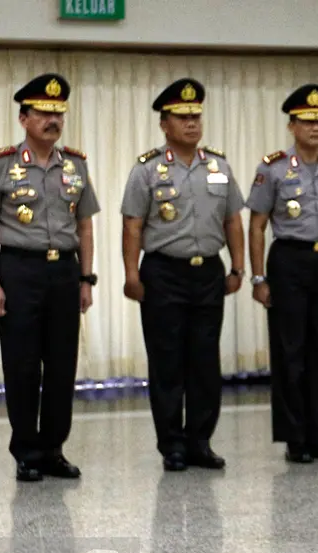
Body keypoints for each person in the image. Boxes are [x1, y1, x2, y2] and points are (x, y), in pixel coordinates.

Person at [121, 78, 246, 472]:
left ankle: (200, 441)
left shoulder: (219, 166)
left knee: (205, 361)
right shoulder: (147, 169)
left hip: (208, 271)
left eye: (196, 116)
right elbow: (133, 226)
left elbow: (233, 221)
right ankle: (172, 445)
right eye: (182, 117)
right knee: (168, 362)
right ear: (164, 124)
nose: (192, 123)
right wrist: (131, 274)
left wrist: (238, 267)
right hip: (163, 273)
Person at [0, 73, 98, 482]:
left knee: (60, 363)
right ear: (24, 118)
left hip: (63, 272)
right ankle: (26, 451)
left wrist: (86, 278)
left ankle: (53, 448)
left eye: (58, 112)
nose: (53, 119)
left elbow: (85, 225)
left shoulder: (76, 163)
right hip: (18, 269)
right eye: (43, 112)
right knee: (21, 365)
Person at [246, 84, 318, 463]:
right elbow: (257, 225)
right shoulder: (274, 167)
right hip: (290, 260)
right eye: (307, 122)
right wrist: (258, 278)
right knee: (290, 350)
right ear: (292, 126)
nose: (315, 128)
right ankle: (295, 438)